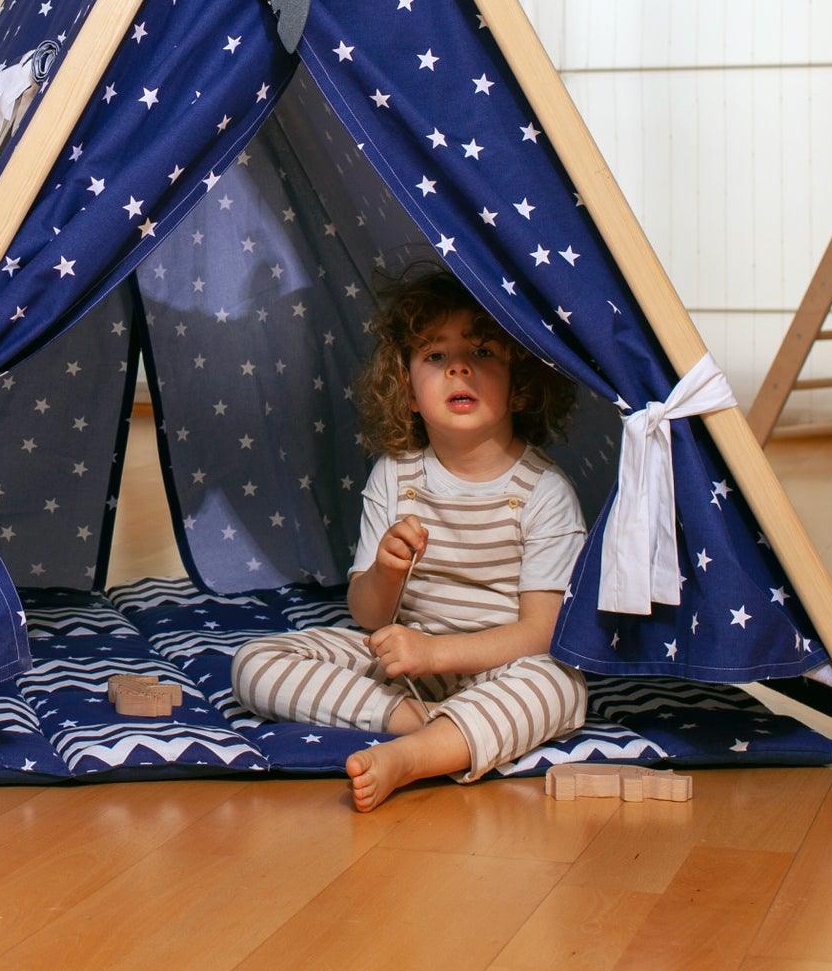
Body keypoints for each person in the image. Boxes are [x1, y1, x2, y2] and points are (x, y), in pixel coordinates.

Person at [231, 264, 588, 810]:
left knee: (561, 686)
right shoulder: (394, 476)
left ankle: (415, 755)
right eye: (436, 356)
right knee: (255, 661)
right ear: (409, 390)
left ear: (522, 386)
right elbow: (370, 618)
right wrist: (386, 573)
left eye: (484, 353)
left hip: (501, 665)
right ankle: (411, 723)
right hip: (406, 666)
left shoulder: (545, 492)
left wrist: (438, 653)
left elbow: (542, 632)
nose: (459, 368)